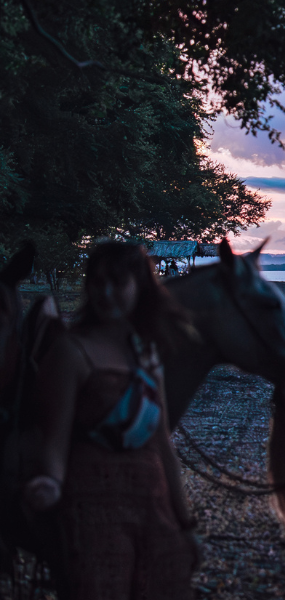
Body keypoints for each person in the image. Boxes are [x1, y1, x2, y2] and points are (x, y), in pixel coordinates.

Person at [24, 242, 199, 598]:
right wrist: (51, 483)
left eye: (117, 282)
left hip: (152, 500)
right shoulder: (72, 352)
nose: (105, 293)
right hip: (92, 507)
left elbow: (162, 442)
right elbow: (54, 438)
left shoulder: (148, 353)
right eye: (97, 282)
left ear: (139, 286)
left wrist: (184, 521)